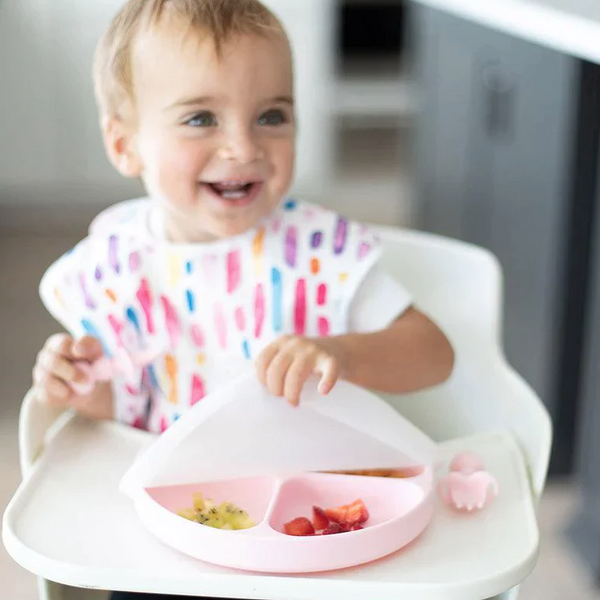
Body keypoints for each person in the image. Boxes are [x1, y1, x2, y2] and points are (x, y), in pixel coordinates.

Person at [31, 1, 454, 597]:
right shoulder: (116, 269)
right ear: (125, 144)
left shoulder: (318, 253)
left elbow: (435, 354)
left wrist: (346, 353)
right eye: (201, 118)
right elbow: (123, 405)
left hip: (316, 530)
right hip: (179, 524)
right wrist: (76, 383)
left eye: (272, 115)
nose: (243, 146)